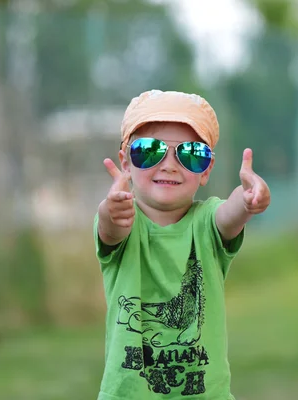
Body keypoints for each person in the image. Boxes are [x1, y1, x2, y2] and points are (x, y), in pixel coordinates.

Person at [94, 90, 271, 399]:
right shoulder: (123, 221)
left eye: (190, 153)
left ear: (206, 170)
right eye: (149, 151)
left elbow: (229, 215)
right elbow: (110, 230)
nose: (169, 165)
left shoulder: (206, 222)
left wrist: (246, 201)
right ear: (126, 163)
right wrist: (111, 211)